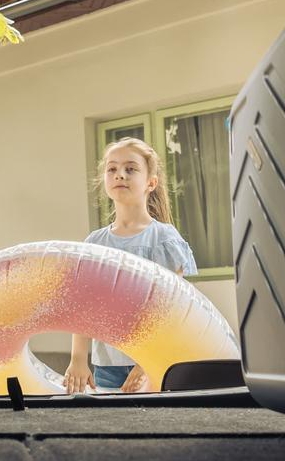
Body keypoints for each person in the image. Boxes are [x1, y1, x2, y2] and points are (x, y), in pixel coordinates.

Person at [64, 136, 197, 394]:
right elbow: (82, 304)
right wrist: (78, 359)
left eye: (130, 168)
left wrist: (148, 363)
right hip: (108, 367)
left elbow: (173, 311)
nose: (119, 175)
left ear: (151, 182)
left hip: (157, 363)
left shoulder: (165, 239)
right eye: (111, 169)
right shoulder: (95, 243)